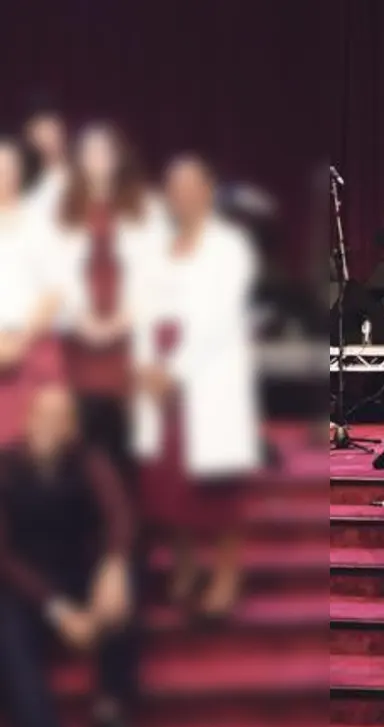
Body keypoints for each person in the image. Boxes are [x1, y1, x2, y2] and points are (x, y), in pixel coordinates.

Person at [0, 384, 150, 727]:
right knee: (12, 653)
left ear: (72, 427)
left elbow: (119, 516)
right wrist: (60, 613)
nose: (51, 425)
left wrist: (111, 565)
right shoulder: (6, 465)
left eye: (62, 417)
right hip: (27, 588)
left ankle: (110, 703)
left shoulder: (87, 459)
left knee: (129, 574)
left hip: (78, 571)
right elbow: (4, 556)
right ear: (27, 420)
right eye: (43, 414)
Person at [131, 156, 262, 622]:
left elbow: (217, 317)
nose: (181, 195)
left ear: (208, 189)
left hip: (206, 372)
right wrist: (146, 364)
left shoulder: (229, 246)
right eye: (173, 187)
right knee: (168, 483)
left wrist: (174, 370)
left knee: (217, 487)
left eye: (190, 185)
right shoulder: (157, 245)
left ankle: (226, 574)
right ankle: (185, 567)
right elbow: (141, 307)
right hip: (158, 375)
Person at [39, 123, 156, 483]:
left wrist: (124, 319)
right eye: (89, 151)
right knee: (81, 440)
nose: (97, 160)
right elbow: (49, 271)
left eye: (105, 151)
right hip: (78, 340)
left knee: (126, 444)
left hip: (129, 338)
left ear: (119, 157)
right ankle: (87, 532)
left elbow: (159, 272)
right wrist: (81, 320)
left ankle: (130, 533)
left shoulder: (145, 207)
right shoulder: (60, 209)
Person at [0, 136, 61, 445]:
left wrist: (20, 341)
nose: (3, 173)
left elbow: (55, 292)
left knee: (33, 449)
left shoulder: (39, 225)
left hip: (32, 348)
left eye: (9, 166)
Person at [22, 104, 69, 224]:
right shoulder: (27, 181)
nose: (46, 137)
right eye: (39, 130)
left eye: (50, 128)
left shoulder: (79, 174)